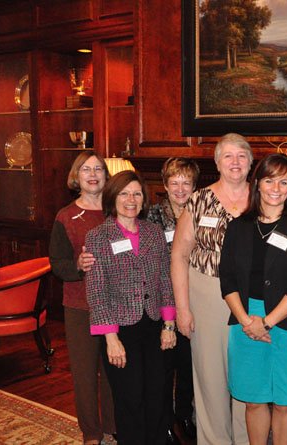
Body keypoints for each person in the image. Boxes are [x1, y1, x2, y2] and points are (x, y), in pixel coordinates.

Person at [219, 154, 287, 445]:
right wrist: (247, 322)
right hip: (244, 321)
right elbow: (227, 279)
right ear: (257, 183)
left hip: (284, 321)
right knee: (254, 400)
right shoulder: (238, 226)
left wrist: (266, 323)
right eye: (270, 180)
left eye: (284, 182)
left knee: (284, 401)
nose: (276, 188)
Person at [171, 133, 252, 445]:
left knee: (247, 377)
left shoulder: (264, 196)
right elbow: (178, 256)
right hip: (206, 295)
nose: (235, 162)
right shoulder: (198, 200)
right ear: (217, 162)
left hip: (251, 298)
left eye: (241, 156)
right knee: (210, 377)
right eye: (228, 156)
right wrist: (182, 309)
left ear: (250, 162)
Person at [85, 170, 176, 444]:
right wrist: (111, 339)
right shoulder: (98, 237)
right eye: (124, 193)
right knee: (130, 398)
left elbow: (164, 279)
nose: (131, 199)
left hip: (154, 326)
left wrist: (169, 324)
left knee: (157, 394)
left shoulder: (153, 232)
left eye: (137, 193)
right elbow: (96, 291)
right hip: (120, 330)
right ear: (113, 198)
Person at [49, 151, 116, 445]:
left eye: (98, 169)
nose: (92, 174)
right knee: (86, 375)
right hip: (80, 306)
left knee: (115, 372)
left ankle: (114, 428)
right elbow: (58, 263)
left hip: (118, 305)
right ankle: (91, 433)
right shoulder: (65, 216)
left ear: (105, 175)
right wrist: (77, 265)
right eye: (86, 169)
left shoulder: (120, 209)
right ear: (76, 177)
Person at [147, 157, 200, 443]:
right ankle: (166, 422)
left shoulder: (203, 214)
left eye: (186, 183)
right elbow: (153, 263)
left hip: (196, 301)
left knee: (190, 366)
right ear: (165, 185)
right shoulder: (153, 217)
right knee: (164, 368)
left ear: (194, 186)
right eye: (174, 182)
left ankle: (184, 416)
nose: (180, 189)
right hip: (163, 303)